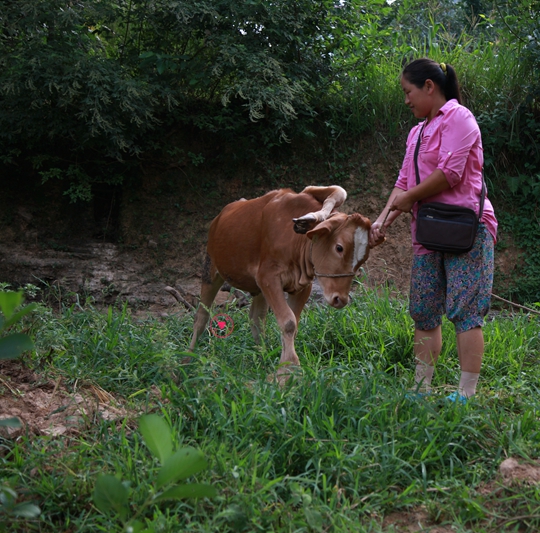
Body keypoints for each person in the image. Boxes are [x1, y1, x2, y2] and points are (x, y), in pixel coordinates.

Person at [369, 58, 497, 402]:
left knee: (466, 311)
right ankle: (421, 388)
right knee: (424, 310)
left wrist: (408, 198)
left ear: (429, 86)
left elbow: (450, 173)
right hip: (427, 232)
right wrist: (382, 222)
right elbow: (402, 184)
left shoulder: (460, 118)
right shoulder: (416, 132)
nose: (406, 100)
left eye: (408, 92)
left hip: (466, 229)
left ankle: (465, 394)